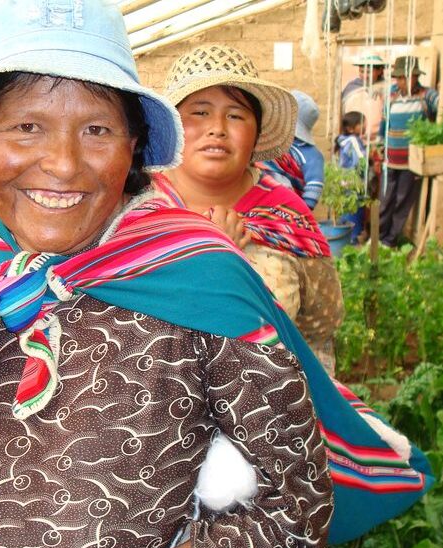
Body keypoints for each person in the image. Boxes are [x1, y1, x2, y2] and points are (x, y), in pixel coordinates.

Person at [0, 3, 432, 548]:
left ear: (134, 146)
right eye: (26, 126)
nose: (63, 164)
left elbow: (300, 511)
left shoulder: (200, 281)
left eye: (97, 129)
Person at [150, 44, 343, 374]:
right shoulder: (134, 208)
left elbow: (321, 326)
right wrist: (210, 257)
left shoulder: (285, 216)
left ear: (256, 134)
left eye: (236, 115)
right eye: (200, 111)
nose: (218, 128)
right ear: (173, 126)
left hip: (271, 408)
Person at [379, 55, 439, 247]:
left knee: (403, 200)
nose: (401, 81)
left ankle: (390, 240)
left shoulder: (426, 96)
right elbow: (383, 124)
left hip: (411, 162)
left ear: (415, 77)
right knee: (386, 199)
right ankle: (379, 237)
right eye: (399, 78)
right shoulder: (391, 95)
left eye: (406, 77)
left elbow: (442, 110)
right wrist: (380, 146)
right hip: (390, 159)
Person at [257, 90, 325, 210]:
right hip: (260, 203)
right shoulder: (270, 143)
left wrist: (302, 211)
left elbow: (315, 185)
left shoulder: (312, 155)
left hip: (288, 209)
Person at [334, 111, 368, 244]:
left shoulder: (343, 140)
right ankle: (352, 241)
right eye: (362, 123)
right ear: (351, 128)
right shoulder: (353, 140)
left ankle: (347, 240)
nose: (365, 126)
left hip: (344, 181)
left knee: (347, 211)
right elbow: (361, 160)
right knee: (354, 211)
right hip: (353, 182)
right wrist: (371, 157)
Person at [341, 53, 388, 142]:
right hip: (355, 139)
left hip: (379, 140)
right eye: (362, 71)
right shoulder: (352, 87)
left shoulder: (387, 88)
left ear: (380, 70)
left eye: (369, 72)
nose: (365, 75)